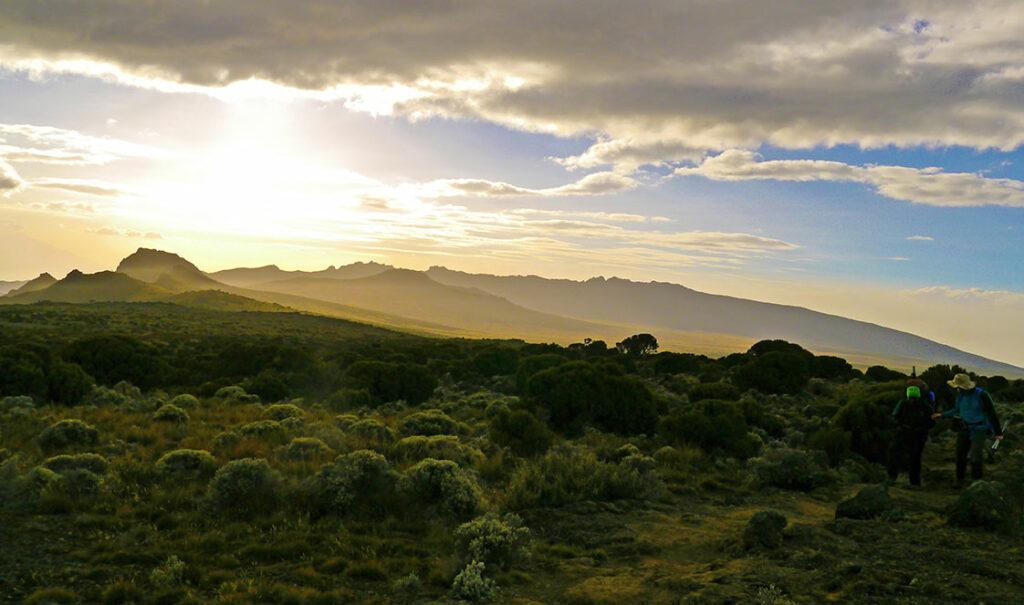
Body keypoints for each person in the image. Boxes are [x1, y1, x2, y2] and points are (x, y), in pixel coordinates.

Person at [932, 373, 1004, 485]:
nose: (957, 389)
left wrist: (998, 432)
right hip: (964, 427)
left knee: (976, 456)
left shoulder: (982, 395)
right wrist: (942, 415)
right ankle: (959, 479)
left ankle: (977, 483)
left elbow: (991, 413)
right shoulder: (961, 395)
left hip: (979, 428)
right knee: (960, 454)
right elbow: (956, 410)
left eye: (958, 387)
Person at [887, 384, 934, 486]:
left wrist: (898, 426)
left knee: (897, 454)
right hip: (916, 434)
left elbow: (894, 416)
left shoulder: (904, 403)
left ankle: (893, 477)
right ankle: (914, 482)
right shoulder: (924, 405)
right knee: (914, 457)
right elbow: (931, 420)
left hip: (908, 432)